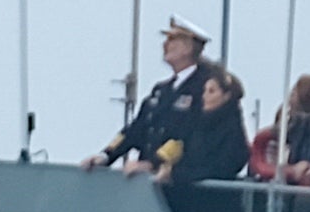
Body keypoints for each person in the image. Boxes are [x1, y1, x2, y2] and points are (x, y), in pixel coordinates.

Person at [85, 17, 213, 174]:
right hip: (148, 182)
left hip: (179, 182)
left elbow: (188, 136)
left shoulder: (206, 89)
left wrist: (153, 164)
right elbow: (136, 129)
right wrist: (106, 155)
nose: (165, 45)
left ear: (187, 47)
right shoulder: (161, 90)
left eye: (172, 39)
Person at [160, 66, 249, 185]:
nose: (204, 96)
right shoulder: (194, 124)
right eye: (204, 90)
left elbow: (221, 169)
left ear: (226, 96)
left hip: (214, 198)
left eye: (211, 91)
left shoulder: (233, 133)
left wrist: (176, 174)